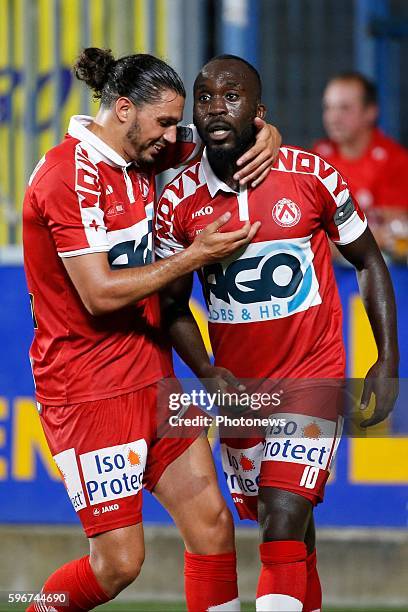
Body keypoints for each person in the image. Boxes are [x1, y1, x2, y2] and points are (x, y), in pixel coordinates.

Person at [23, 48, 282, 612]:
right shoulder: (67, 177)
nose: (173, 135)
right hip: (89, 391)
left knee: (212, 524)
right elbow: (97, 293)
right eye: (165, 122)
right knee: (119, 564)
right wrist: (194, 256)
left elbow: (228, 134)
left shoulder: (144, 146)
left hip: (153, 376)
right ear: (122, 109)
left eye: (175, 122)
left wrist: (269, 134)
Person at [156, 55, 399, 611]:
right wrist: (209, 370)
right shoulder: (178, 203)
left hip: (311, 376)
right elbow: (171, 306)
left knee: (282, 519)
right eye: (206, 97)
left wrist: (387, 359)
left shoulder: (308, 174)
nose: (217, 107)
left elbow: (368, 260)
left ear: (259, 112)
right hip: (241, 389)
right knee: (284, 523)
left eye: (233, 97)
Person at [313, 72, 408, 256]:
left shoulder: (395, 160)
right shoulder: (316, 158)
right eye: (328, 107)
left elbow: (396, 235)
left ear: (370, 112)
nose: (333, 117)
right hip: (328, 273)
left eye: (345, 108)